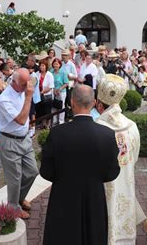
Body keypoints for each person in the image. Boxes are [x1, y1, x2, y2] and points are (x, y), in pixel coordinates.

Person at [40, 84, 120, 245]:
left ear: (72, 102)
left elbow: (46, 172)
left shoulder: (57, 133)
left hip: (63, 197)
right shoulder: (107, 135)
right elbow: (112, 173)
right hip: (94, 197)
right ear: (94, 102)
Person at [95, 74, 146, 244]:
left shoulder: (97, 128)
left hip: (102, 186)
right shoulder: (132, 126)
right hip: (126, 179)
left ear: (99, 105)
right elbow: (135, 156)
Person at [0, 68, 39, 219]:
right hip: (9, 141)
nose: (27, 87)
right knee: (15, 178)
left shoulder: (22, 91)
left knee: (32, 171)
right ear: (13, 82)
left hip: (24, 139)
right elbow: (21, 120)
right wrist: (29, 96)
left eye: (28, 83)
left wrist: (26, 94)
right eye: (24, 84)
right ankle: (13, 207)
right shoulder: (4, 99)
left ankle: (19, 198)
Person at [51, 58, 68, 125]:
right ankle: (54, 120)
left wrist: (59, 89)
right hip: (53, 91)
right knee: (54, 106)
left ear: (59, 65)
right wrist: (54, 90)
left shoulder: (63, 72)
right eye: (54, 64)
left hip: (62, 91)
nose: (55, 65)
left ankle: (61, 121)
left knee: (61, 106)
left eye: (57, 64)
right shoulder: (51, 72)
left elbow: (66, 83)